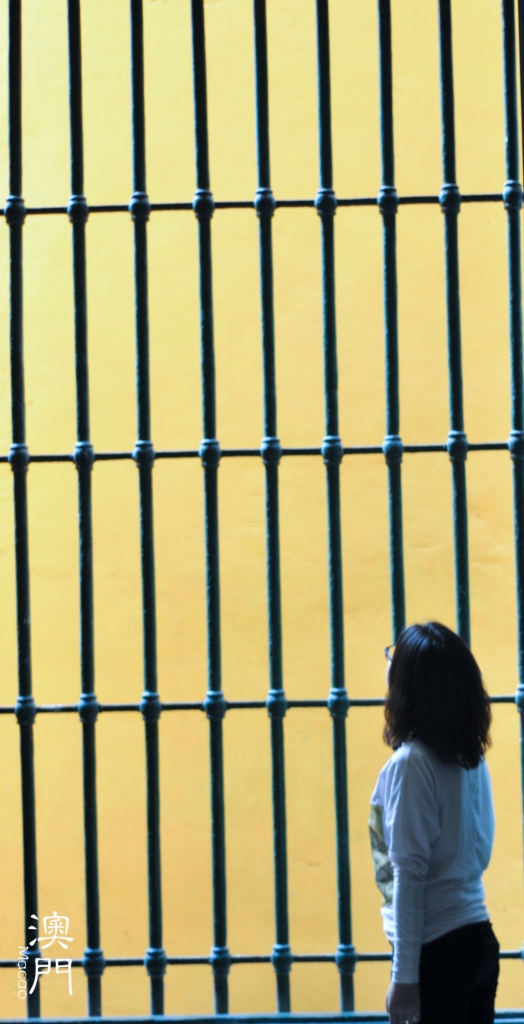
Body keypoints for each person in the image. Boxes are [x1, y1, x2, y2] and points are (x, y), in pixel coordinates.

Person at [369, 621, 499, 1024]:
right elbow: (479, 849)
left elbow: (410, 876)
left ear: (408, 685)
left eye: (395, 657)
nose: (389, 664)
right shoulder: (469, 757)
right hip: (478, 938)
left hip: (436, 952)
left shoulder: (412, 764)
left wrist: (404, 978)